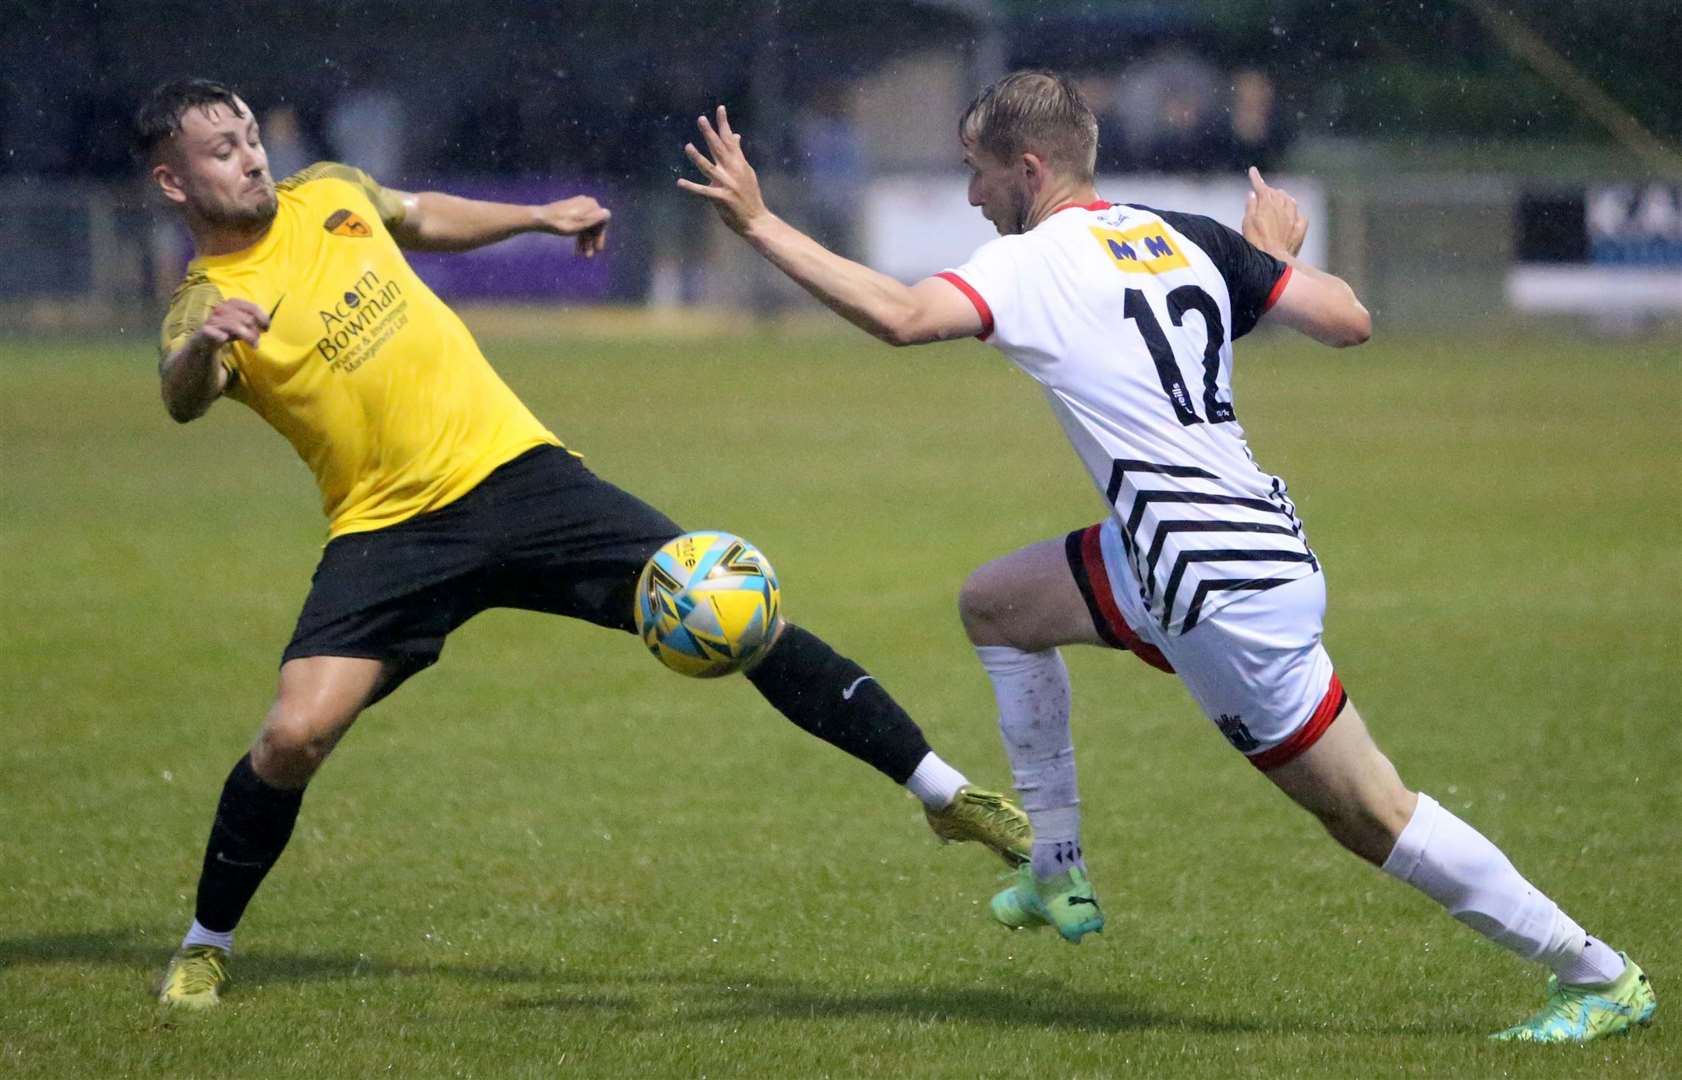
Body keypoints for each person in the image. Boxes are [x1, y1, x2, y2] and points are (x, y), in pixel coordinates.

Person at [677, 70, 1656, 1043]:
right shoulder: (1176, 235)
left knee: (1369, 815)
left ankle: (1595, 972)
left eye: (977, 175)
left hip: (1217, 585)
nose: (971, 197)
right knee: (998, 606)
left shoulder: (1032, 263)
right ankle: (1054, 866)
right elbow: (1347, 319)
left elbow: (897, 316)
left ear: (1029, 167)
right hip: (1189, 544)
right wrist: (1264, 261)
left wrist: (761, 225)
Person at [134, 78, 1031, 1009]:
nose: (251, 156)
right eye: (223, 149)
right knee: (292, 736)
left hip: (524, 477)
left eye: (249, 134)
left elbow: (420, 215)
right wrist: (203, 345)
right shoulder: (206, 301)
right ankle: (206, 943)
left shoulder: (328, 191)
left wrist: (536, 218)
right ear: (173, 182)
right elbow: (179, 392)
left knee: (731, 606)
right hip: (390, 531)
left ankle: (945, 795)